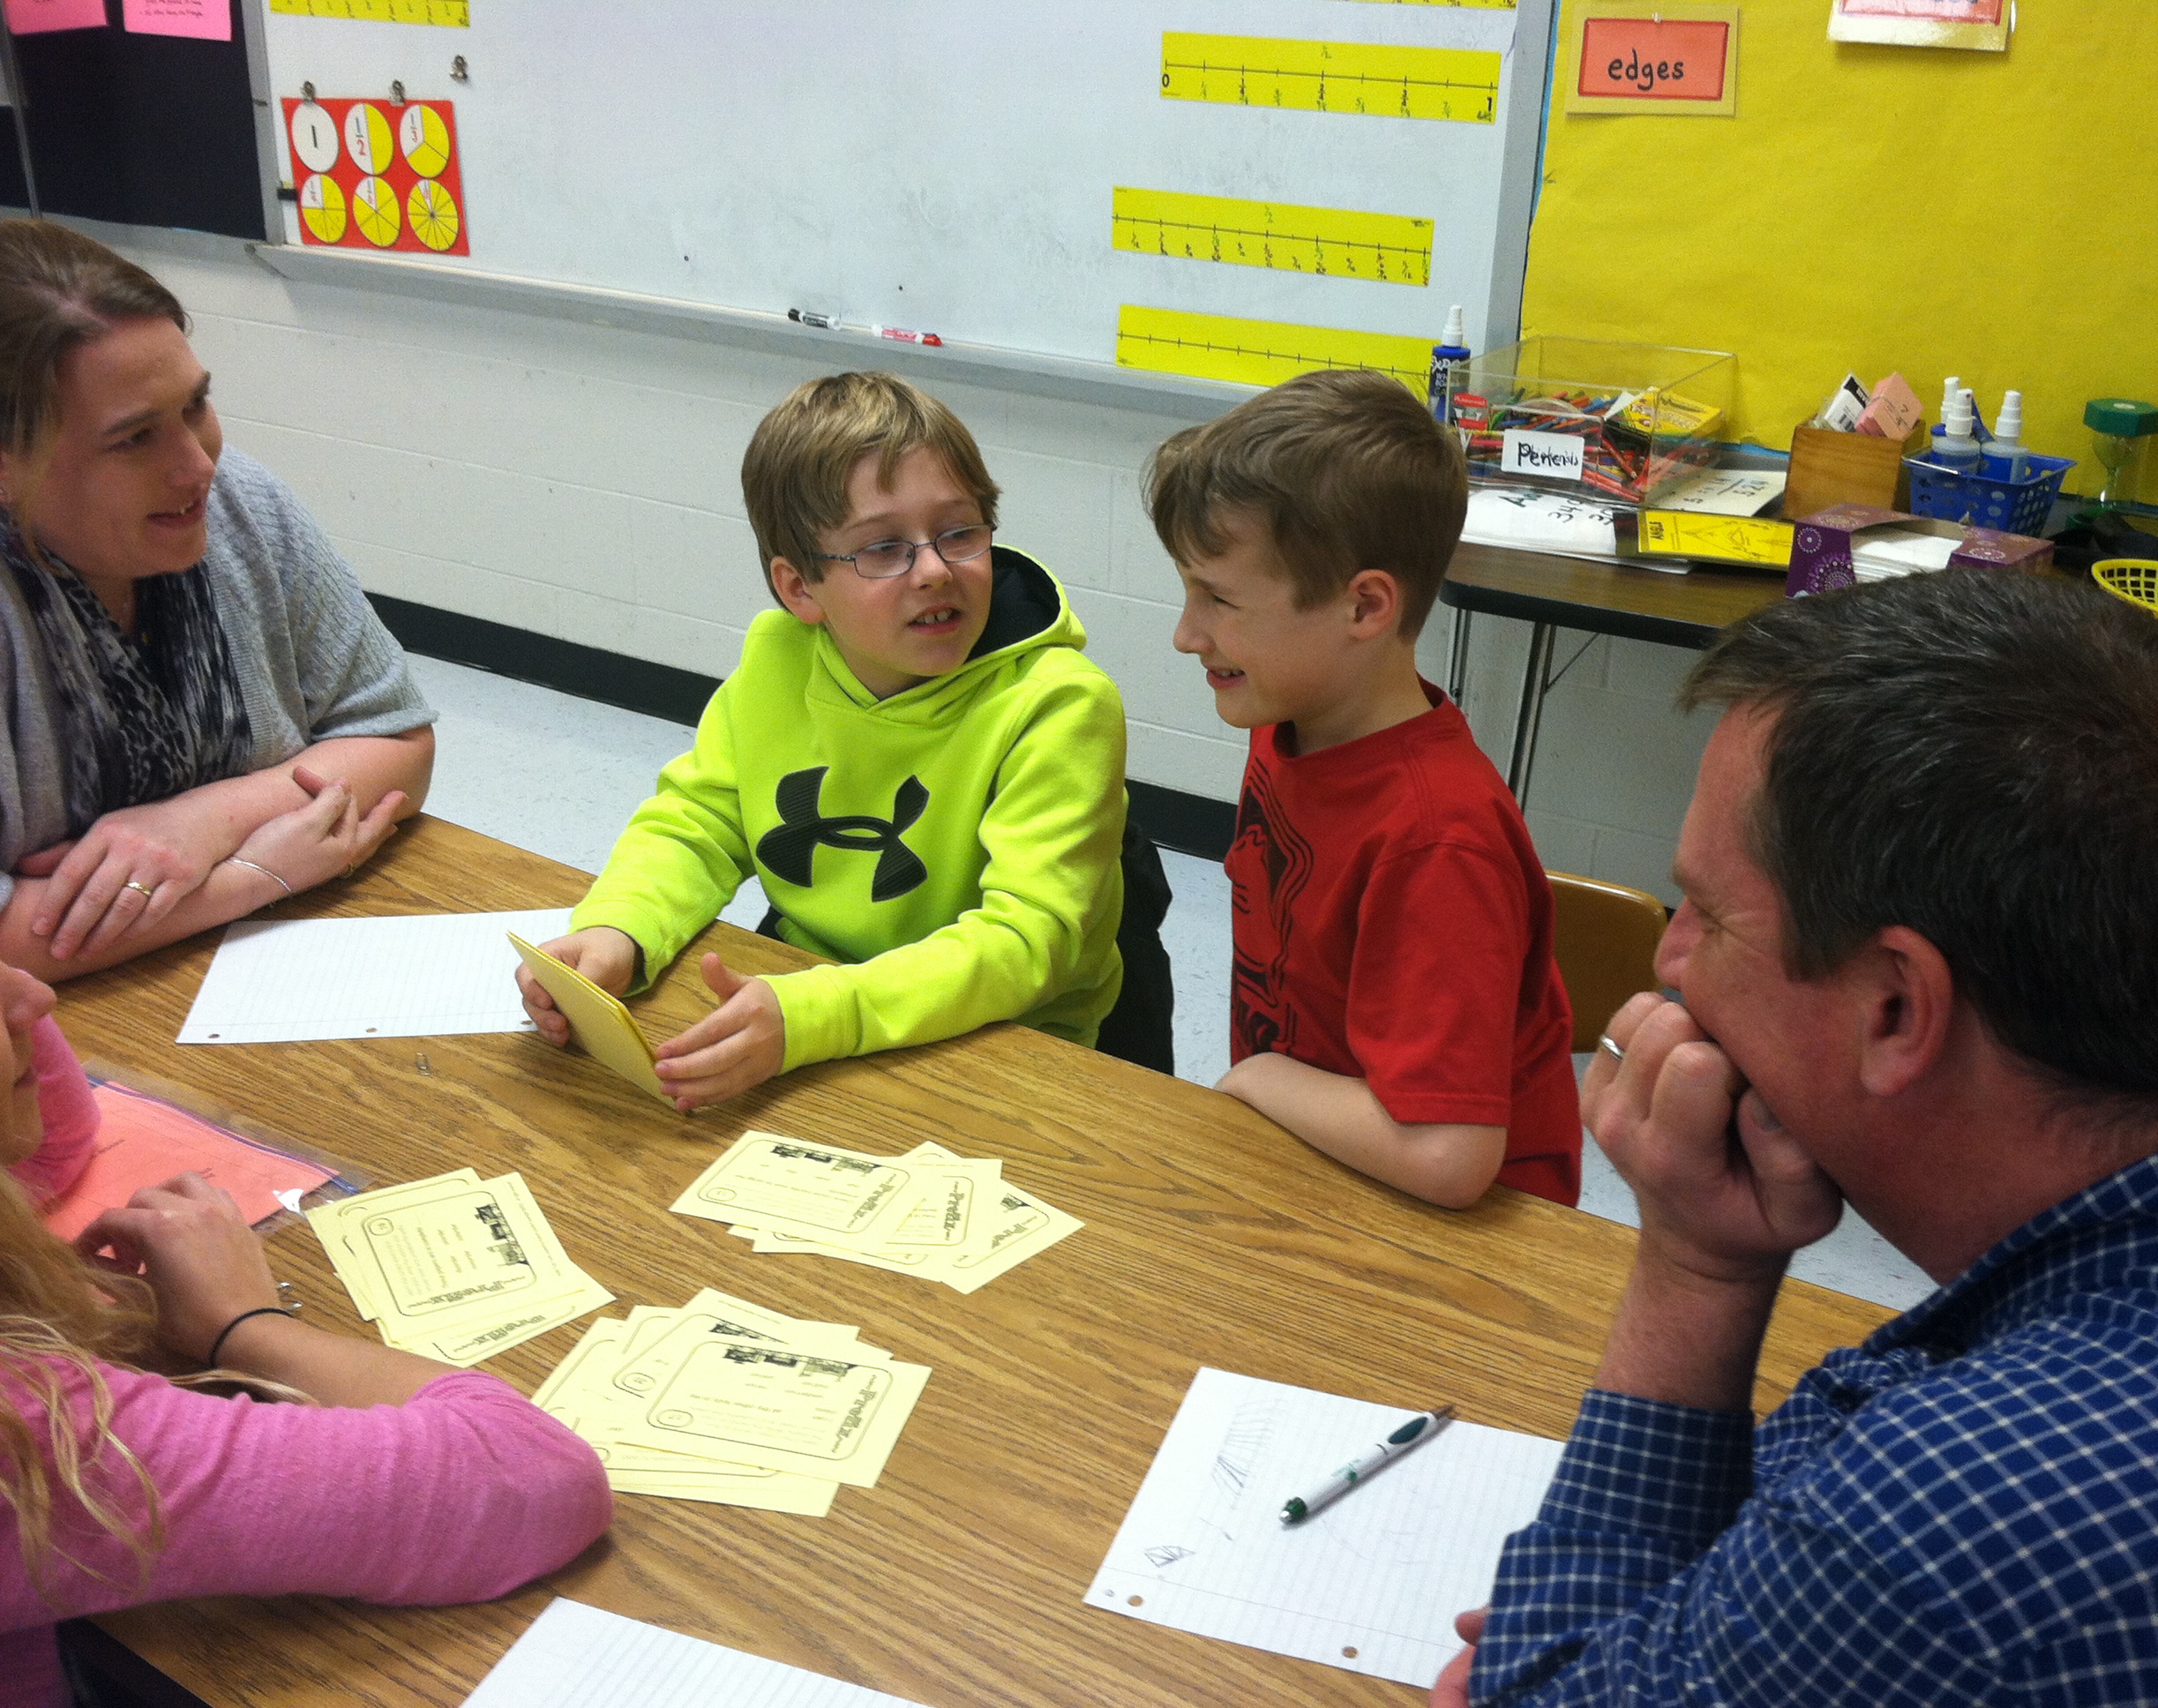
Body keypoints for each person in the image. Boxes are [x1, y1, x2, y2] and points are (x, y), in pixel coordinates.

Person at [1444, 568, 2158, 1706]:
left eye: (1708, 915)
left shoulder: (1957, 1517)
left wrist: (1692, 1269)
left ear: (1894, 1007)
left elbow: (1527, 1692)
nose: (1670, 959)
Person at [519, 370, 1166, 1108]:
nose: (934, 570)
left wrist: (823, 1014)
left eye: (959, 532)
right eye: (883, 548)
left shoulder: (1060, 704)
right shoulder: (778, 659)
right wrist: (618, 928)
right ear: (800, 589)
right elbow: (699, 820)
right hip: (813, 1000)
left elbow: (1027, 944)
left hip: (1005, 1042)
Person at [0, 963, 612, 1708]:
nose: (39, 998)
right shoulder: (32, 1437)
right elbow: (532, 1480)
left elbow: (48, 1143)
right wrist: (243, 1326)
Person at [1147, 368, 1578, 1209]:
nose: (1186, 634)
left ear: (1365, 608)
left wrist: (1260, 1077)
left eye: (1219, 599)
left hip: (1447, 1235)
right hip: (1320, 1169)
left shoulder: (1437, 841)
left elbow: (1448, 1156)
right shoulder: (1288, 722)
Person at [0, 220, 433, 984]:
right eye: (134, 439)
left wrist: (204, 820)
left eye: (196, 406)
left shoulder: (242, 506)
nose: (197, 466)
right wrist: (257, 875)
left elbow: (398, 742)